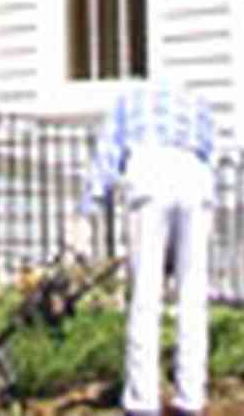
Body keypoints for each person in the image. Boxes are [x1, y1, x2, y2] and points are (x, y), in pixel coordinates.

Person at [68, 74, 220, 416]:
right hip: (197, 182)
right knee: (193, 298)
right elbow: (212, 160)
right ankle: (191, 399)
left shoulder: (128, 100)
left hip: (150, 173)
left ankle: (142, 402)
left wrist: (87, 209)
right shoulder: (199, 106)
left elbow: (108, 155)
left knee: (145, 297)